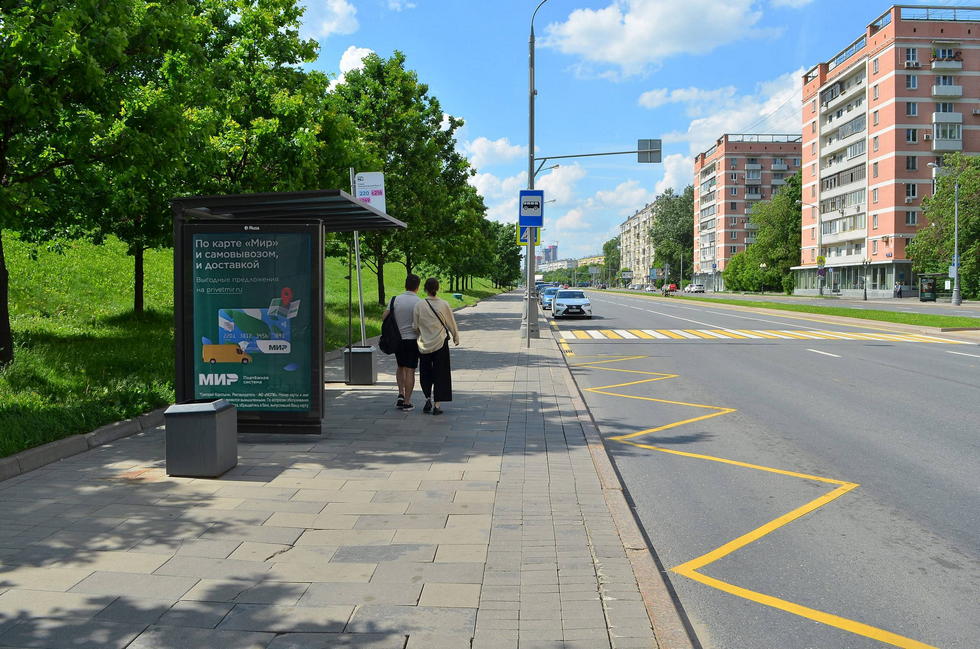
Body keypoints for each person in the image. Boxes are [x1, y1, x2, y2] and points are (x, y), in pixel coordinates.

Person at [412, 277, 460, 415]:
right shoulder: (444, 304)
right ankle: (437, 405)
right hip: (440, 343)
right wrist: (455, 336)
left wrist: (423, 331)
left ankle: (427, 398)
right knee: (441, 373)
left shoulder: (419, 305)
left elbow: (415, 326)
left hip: (424, 345)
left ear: (425, 289)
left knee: (425, 372)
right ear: (437, 288)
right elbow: (451, 323)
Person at [382, 274, 422, 411]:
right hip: (412, 340)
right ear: (417, 287)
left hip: (397, 340)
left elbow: (384, 316)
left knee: (400, 366)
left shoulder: (395, 300)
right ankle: (407, 402)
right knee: (410, 370)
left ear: (405, 285)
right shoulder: (419, 302)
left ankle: (400, 393)